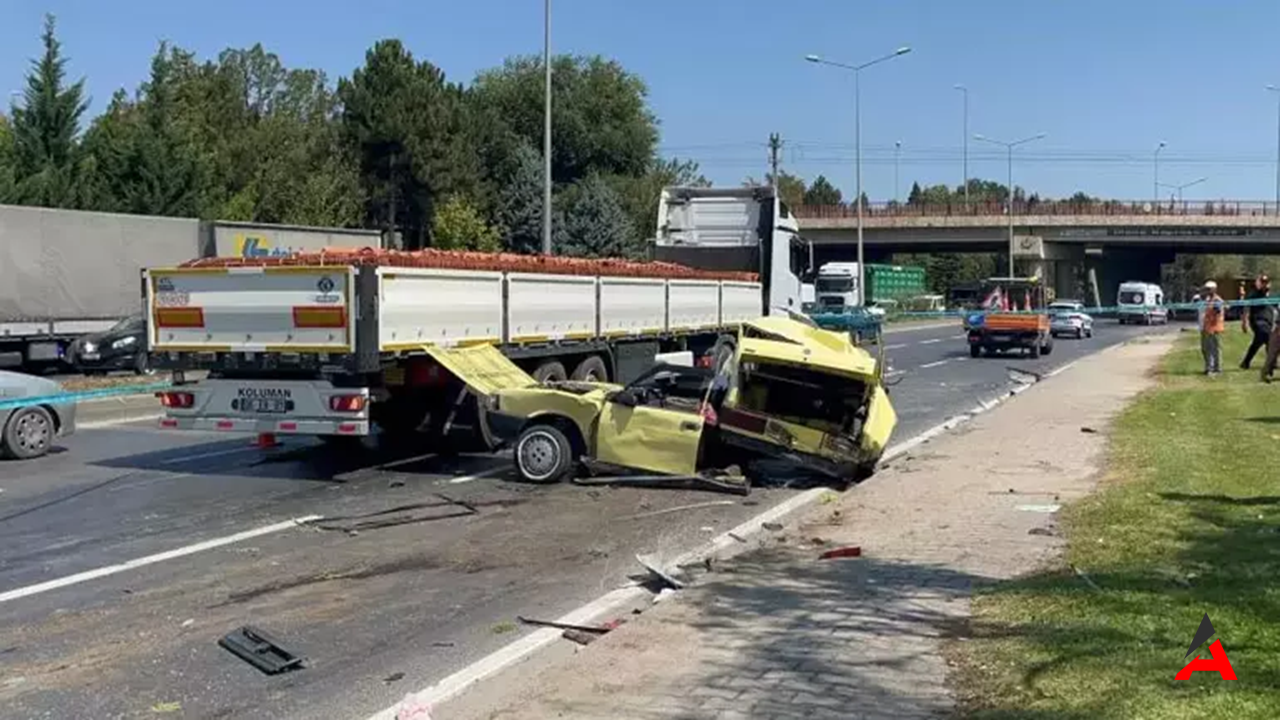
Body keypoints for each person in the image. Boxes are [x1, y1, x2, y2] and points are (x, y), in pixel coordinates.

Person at [1240, 274, 1274, 369]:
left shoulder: (1269, 294)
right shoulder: (1253, 294)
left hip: (1268, 322)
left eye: (1266, 282)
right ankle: (1271, 362)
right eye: (1262, 282)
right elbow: (1246, 308)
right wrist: (1244, 322)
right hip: (1258, 321)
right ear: (1258, 283)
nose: (1264, 284)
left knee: (1258, 342)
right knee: (1268, 339)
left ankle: (1245, 363)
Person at [1198, 280, 1225, 376]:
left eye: (1208, 289)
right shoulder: (1207, 300)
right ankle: (1209, 367)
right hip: (1207, 328)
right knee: (1206, 348)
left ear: (1214, 289)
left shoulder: (1217, 300)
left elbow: (1217, 312)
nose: (1207, 291)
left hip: (1215, 328)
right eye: (1206, 289)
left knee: (1214, 349)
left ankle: (1216, 368)